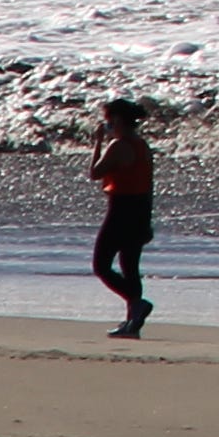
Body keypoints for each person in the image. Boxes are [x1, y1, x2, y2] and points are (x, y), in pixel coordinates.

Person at [86, 100, 155, 339]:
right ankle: (132, 321)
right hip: (141, 208)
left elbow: (95, 173)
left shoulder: (118, 145)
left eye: (109, 121)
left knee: (101, 265)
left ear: (116, 120)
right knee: (130, 267)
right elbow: (148, 184)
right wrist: (148, 219)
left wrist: (97, 142)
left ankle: (136, 305)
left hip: (121, 209)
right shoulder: (142, 145)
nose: (107, 125)